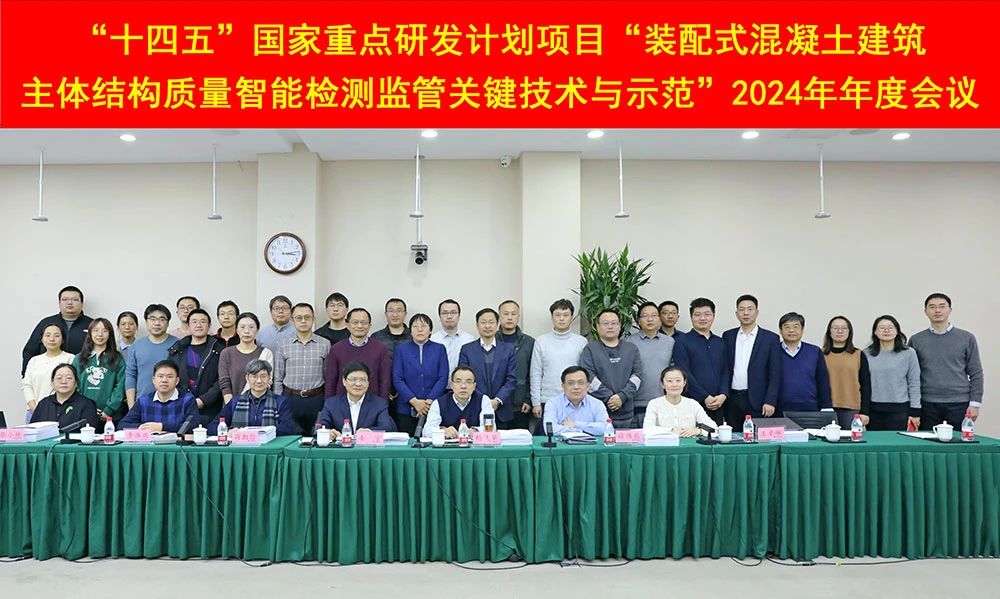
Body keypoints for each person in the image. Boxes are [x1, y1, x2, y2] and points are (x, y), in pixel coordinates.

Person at [909, 293, 984, 430]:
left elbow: (976, 373)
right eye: (932, 307)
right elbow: (911, 375)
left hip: (959, 403)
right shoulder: (916, 340)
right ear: (925, 311)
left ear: (950, 310)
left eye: (942, 306)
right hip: (927, 403)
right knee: (927, 442)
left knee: (958, 442)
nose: (937, 310)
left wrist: (975, 403)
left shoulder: (967, 338)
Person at [529, 299, 588, 432]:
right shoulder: (541, 341)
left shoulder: (581, 342)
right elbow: (535, 373)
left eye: (566, 315)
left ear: (572, 318)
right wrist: (536, 402)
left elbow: (585, 373)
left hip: (575, 400)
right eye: (557, 315)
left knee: (574, 436)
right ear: (552, 317)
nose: (561, 319)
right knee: (548, 437)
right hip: (547, 400)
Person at [578, 308, 643, 428]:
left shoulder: (631, 349)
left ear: (619, 326)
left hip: (627, 415)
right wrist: (610, 398)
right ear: (597, 326)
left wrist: (622, 396)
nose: (610, 326)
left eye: (614, 323)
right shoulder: (590, 349)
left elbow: (637, 376)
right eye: (605, 323)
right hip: (599, 414)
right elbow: (588, 377)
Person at [273, 303, 331, 435]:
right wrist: (278, 402)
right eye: (299, 318)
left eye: (307, 317)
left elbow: (328, 376)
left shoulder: (325, 344)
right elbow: (278, 378)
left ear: (313, 319)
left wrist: (327, 400)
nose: (303, 321)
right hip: (290, 399)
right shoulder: (283, 345)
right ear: (292, 320)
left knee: (317, 436)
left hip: (316, 399)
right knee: (291, 436)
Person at [722, 294, 782, 422]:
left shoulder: (770, 339)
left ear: (757, 312)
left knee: (757, 434)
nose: (746, 313)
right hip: (732, 399)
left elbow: (775, 373)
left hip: (758, 401)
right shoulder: (728, 336)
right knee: (733, 433)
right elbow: (725, 368)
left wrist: (770, 401)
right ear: (736, 314)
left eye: (750, 309)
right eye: (741, 309)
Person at [672, 298, 730, 425]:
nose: (702, 318)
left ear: (713, 316)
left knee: (717, 435)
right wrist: (705, 397)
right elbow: (684, 372)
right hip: (693, 402)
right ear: (691, 317)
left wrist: (723, 395)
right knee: (694, 435)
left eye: (707, 314)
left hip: (719, 402)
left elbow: (725, 371)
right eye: (697, 315)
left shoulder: (720, 342)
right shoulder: (682, 341)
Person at [458, 308, 517, 428]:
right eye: (483, 322)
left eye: (491, 322)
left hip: (501, 408)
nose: (487, 326)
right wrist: (484, 401)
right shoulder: (467, 349)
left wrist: (497, 400)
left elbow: (511, 379)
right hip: (475, 406)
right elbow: (464, 379)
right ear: (477, 325)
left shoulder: (508, 349)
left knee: (500, 439)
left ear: (497, 324)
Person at [391, 313, 449, 436]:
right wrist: (414, 401)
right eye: (415, 326)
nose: (420, 329)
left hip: (433, 407)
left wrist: (429, 402)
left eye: (424, 326)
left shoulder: (439, 349)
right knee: (407, 443)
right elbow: (397, 379)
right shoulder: (401, 349)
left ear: (430, 330)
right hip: (406, 408)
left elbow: (443, 378)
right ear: (410, 331)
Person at [210, 359, 299, 436]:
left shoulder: (281, 402)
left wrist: (257, 433)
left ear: (270, 378)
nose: (259, 381)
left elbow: (288, 428)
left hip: (269, 446)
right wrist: (229, 431)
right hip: (241, 447)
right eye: (254, 376)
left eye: (263, 376)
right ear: (247, 378)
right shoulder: (235, 402)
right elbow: (213, 426)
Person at [167, 308, 225, 425]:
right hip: (182, 408)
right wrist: (185, 401)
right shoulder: (177, 349)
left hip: (212, 410)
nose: (198, 325)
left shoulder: (219, 350)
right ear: (188, 326)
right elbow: (170, 376)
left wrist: (203, 400)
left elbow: (222, 379)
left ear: (209, 326)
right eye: (194, 322)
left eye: (203, 321)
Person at [864, 315, 921, 431]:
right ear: (875, 332)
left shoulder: (909, 353)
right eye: (882, 328)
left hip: (900, 409)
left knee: (897, 441)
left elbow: (914, 382)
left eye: (891, 327)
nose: (886, 330)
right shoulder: (866, 353)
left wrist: (915, 410)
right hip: (873, 409)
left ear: (897, 331)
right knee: (875, 441)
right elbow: (863, 383)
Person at [22, 286, 93, 376]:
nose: (69, 303)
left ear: (82, 303)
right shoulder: (46, 323)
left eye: (75, 299)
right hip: (48, 375)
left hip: (82, 375)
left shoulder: (92, 325)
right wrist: (26, 375)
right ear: (59, 303)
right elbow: (30, 351)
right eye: (65, 299)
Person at [625, 301, 675, 427]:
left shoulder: (670, 342)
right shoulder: (628, 343)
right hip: (636, 405)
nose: (650, 319)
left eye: (654, 315)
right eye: (645, 316)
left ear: (659, 319)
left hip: (663, 404)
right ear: (638, 321)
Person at [324, 308, 391, 398]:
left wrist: (383, 403)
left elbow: (385, 381)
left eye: (363, 322)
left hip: (373, 402)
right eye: (355, 322)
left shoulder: (381, 348)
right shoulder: (336, 349)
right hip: (342, 403)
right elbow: (330, 381)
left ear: (369, 325)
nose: (359, 326)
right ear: (347, 325)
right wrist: (330, 403)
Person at [317, 362, 396, 435]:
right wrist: (327, 432)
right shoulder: (331, 404)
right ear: (344, 381)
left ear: (368, 382)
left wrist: (369, 431)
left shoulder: (379, 404)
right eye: (353, 379)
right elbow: (318, 427)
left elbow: (387, 428)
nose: (358, 384)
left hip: (367, 445)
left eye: (363, 380)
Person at [119, 360, 199, 432]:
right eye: (160, 376)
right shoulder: (143, 401)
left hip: (177, 444)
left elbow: (194, 426)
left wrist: (161, 427)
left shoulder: (188, 400)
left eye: (170, 377)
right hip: (150, 444)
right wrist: (141, 427)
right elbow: (122, 425)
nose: (164, 380)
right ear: (153, 380)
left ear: (177, 381)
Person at [776, 312, 832, 414]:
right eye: (787, 327)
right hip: (779, 410)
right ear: (780, 330)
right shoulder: (773, 351)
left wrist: (826, 406)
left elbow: (822, 381)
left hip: (810, 409)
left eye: (796, 327)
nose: (791, 330)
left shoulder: (815, 351)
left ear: (802, 330)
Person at [822, 316, 872, 429]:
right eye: (835, 328)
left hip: (851, 408)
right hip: (826, 408)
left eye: (844, 328)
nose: (839, 331)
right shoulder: (821, 355)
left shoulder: (858, 354)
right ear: (829, 331)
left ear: (849, 332)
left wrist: (865, 411)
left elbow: (866, 385)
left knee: (850, 439)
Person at [71, 318, 126, 421]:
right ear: (90, 333)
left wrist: (108, 410)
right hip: (83, 413)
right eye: (96, 330)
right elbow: (74, 385)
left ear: (110, 334)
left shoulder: (117, 358)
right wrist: (87, 407)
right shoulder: (79, 358)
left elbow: (120, 386)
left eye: (105, 331)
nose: (100, 334)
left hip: (111, 416)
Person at [124, 304, 178, 408]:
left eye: (162, 319)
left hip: (173, 404)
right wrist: (131, 406)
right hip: (143, 403)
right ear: (146, 321)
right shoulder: (136, 346)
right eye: (152, 319)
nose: (157, 323)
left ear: (168, 323)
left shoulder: (177, 344)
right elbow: (130, 375)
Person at [643, 367, 717, 437]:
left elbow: (714, 428)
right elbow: (647, 429)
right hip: (663, 444)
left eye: (678, 380)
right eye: (669, 381)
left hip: (688, 445)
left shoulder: (693, 404)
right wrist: (671, 431)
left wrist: (699, 431)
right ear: (662, 384)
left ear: (684, 383)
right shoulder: (654, 404)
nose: (674, 385)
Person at [497, 300, 535, 430]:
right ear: (499, 316)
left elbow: (533, 373)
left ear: (518, 317)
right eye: (505, 314)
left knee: (520, 439)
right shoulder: (491, 340)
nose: (509, 317)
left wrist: (528, 399)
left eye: (513, 314)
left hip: (521, 403)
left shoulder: (529, 342)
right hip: (496, 402)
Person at [218, 313, 274, 403]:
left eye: (251, 327)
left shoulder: (266, 353)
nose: (247, 331)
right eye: (242, 327)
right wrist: (231, 405)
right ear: (237, 330)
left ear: (257, 330)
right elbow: (224, 382)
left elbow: (267, 381)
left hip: (259, 404)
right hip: (231, 403)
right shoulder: (226, 353)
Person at [424, 366, 493, 438]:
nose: (463, 386)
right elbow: (426, 431)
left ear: (474, 386)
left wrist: (475, 431)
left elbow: (491, 429)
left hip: (474, 444)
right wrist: (443, 431)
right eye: (458, 381)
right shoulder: (438, 403)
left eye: (468, 382)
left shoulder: (483, 400)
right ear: (452, 385)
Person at [541, 366, 610, 436]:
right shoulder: (552, 403)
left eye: (581, 383)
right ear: (563, 387)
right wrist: (582, 431)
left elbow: (606, 428)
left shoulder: (597, 404)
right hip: (562, 442)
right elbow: (550, 430)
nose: (576, 387)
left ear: (588, 386)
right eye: (571, 383)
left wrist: (576, 424)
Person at [30, 364, 101, 430]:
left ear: (76, 383)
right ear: (53, 382)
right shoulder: (43, 404)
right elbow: (32, 430)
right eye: (59, 378)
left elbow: (89, 432)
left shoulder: (87, 404)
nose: (63, 381)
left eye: (69, 378)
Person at [22, 323, 74, 413]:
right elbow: (27, 385)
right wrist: (35, 409)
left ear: (62, 339)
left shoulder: (70, 359)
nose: (52, 339)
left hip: (62, 411)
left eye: (56, 336)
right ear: (42, 339)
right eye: (47, 335)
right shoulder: (34, 361)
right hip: (34, 410)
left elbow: (75, 386)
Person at [429, 299, 475, 386]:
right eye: (445, 313)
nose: (449, 316)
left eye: (453, 312)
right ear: (439, 317)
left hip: (463, 389)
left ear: (459, 316)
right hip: (437, 388)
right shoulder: (432, 340)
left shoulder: (469, 339)